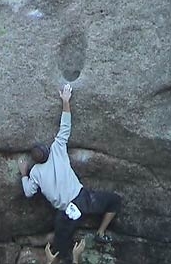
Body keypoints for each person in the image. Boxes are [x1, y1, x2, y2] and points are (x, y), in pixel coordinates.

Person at [18, 84, 121, 264]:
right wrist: (65, 101)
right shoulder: (57, 148)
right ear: (47, 150)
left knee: (60, 250)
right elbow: (65, 125)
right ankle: (100, 232)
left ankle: (63, 259)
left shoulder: (34, 172)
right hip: (82, 199)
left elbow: (28, 192)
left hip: (64, 213)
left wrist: (23, 174)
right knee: (114, 201)